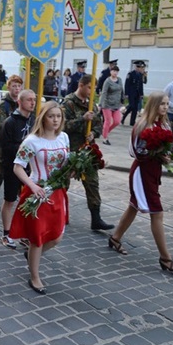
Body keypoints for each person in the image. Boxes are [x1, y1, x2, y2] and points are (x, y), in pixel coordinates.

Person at [107, 92, 173, 273]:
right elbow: (135, 152)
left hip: (154, 171)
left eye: (166, 104)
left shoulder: (164, 123)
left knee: (134, 205)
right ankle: (166, 258)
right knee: (157, 213)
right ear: (153, 105)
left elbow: (169, 146)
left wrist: (168, 156)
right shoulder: (142, 124)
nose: (165, 107)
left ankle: (115, 237)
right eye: (161, 104)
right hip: (142, 172)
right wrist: (156, 154)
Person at [10, 101, 70, 294]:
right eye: (51, 116)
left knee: (57, 236)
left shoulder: (64, 138)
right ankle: (35, 276)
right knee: (37, 238)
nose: (55, 120)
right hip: (38, 193)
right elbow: (18, 167)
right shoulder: (32, 141)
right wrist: (32, 185)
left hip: (58, 193)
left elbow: (66, 164)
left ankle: (31, 256)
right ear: (43, 117)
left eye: (58, 116)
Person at [63, 74, 114, 230]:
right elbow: (63, 126)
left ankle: (96, 218)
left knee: (92, 182)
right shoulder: (69, 103)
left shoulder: (93, 105)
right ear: (81, 85)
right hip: (71, 149)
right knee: (62, 183)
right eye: (90, 87)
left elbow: (98, 124)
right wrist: (82, 120)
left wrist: (94, 134)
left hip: (87, 150)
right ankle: (58, 213)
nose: (93, 91)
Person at [0, 89, 36, 249]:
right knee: (10, 200)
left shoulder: (34, 120)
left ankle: (24, 233)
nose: (33, 103)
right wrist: (25, 146)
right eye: (29, 100)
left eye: (34, 99)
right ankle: (6, 233)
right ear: (20, 102)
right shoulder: (10, 122)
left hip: (30, 167)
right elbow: (6, 147)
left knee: (28, 200)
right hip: (13, 166)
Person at [0, 75, 22, 214]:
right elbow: (1, 128)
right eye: (14, 86)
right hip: (2, 147)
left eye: (19, 86)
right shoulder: (3, 106)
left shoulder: (22, 103)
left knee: (19, 172)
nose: (17, 89)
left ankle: (18, 196)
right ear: (8, 87)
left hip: (18, 146)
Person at [99, 65, 124, 145]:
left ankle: (106, 131)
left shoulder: (119, 80)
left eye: (116, 71)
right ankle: (105, 138)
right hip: (107, 104)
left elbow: (121, 90)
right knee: (108, 121)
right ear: (111, 72)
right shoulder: (107, 81)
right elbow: (104, 92)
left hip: (116, 104)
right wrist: (101, 104)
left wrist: (122, 100)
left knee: (117, 121)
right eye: (113, 71)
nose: (115, 73)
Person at [123, 60, 146, 126]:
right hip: (131, 93)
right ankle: (124, 117)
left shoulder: (141, 75)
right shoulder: (130, 74)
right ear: (136, 67)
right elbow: (127, 84)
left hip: (137, 93)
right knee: (132, 106)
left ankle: (132, 122)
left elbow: (142, 84)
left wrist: (141, 94)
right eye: (138, 67)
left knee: (135, 108)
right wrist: (126, 94)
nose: (140, 69)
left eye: (141, 67)